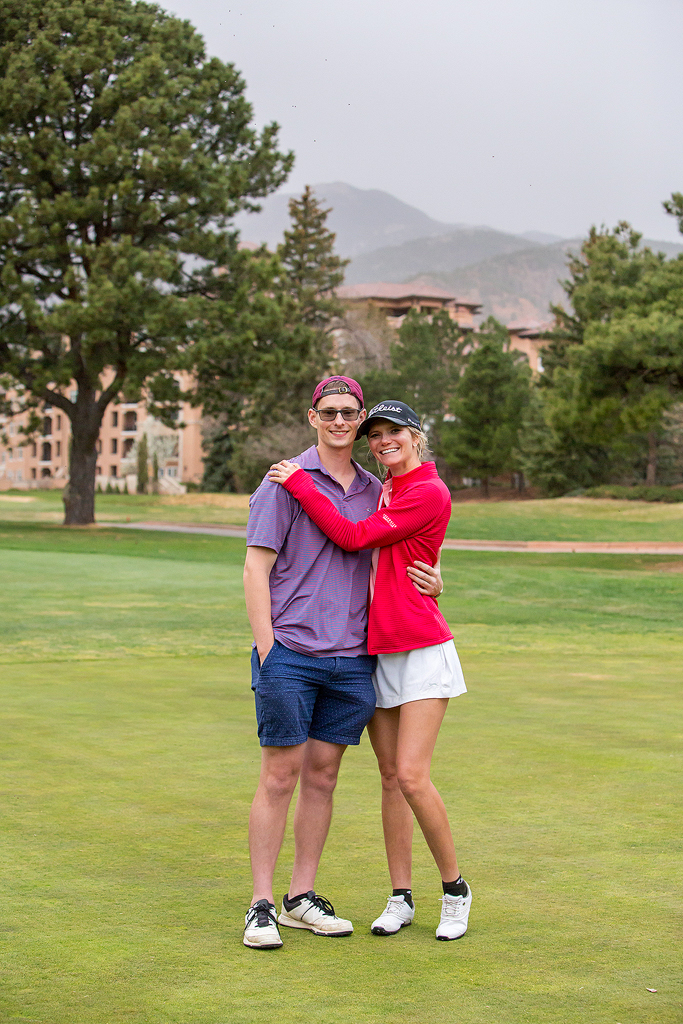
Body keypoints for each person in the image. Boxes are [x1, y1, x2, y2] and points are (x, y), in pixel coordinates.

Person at [242, 378, 443, 950]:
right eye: (328, 411)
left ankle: (300, 898)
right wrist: (267, 647)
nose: (339, 421)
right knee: (279, 776)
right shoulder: (283, 482)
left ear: (359, 420)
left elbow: (399, 549)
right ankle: (261, 905)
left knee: (324, 776)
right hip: (292, 654)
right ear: (312, 417)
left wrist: (437, 578)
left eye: (349, 413)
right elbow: (256, 568)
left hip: (353, 658)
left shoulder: (377, 490)